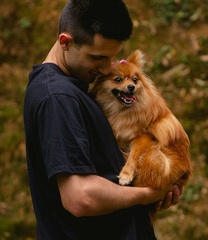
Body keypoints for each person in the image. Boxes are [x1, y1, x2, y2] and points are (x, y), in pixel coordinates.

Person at [23, 0, 182, 239]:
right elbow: (80, 197)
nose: (108, 69)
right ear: (66, 42)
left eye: (112, 58)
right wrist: (147, 194)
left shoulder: (74, 90)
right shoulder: (58, 97)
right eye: (98, 58)